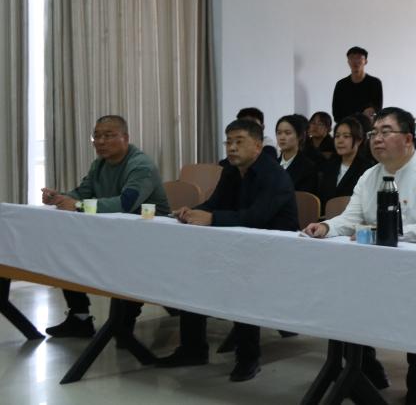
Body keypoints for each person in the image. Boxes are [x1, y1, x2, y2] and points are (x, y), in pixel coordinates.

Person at [303, 107, 416, 405]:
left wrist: (384, 234)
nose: (377, 139)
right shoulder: (370, 176)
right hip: (377, 265)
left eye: (386, 132)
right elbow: (351, 219)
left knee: (415, 313)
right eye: (374, 133)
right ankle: (366, 369)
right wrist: (326, 227)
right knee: (345, 297)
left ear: (408, 139)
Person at [157, 119, 298, 382]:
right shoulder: (232, 171)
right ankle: (192, 349)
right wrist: (193, 212)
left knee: (240, 277)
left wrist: (212, 219)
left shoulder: (274, 176)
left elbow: (256, 218)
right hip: (238, 244)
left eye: (238, 142)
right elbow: (215, 203)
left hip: (276, 251)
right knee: (192, 269)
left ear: (258, 146)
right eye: (228, 142)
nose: (231, 148)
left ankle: (248, 357)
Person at [40, 115, 169, 338]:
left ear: (125, 138)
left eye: (108, 136)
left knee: (125, 263)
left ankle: (123, 323)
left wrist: (77, 205)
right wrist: (59, 198)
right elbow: (82, 193)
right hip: (112, 232)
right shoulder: (99, 164)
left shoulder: (141, 165)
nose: (100, 142)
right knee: (66, 250)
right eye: (96, 136)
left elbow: (126, 204)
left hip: (149, 235)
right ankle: (80, 317)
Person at [316, 117, 376, 208]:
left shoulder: (367, 169)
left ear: (359, 140)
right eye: (337, 136)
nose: (340, 141)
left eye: (346, 136)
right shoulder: (329, 165)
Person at [331, 46, 383, 124]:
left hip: (367, 126)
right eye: (352, 58)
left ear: (365, 61)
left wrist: (371, 112)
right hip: (346, 126)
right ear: (348, 61)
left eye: (359, 58)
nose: (355, 61)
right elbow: (336, 111)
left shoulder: (375, 83)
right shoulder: (341, 84)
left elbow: (378, 108)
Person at [276, 114, 318, 194]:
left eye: (287, 133)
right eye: (279, 133)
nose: (282, 137)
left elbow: (304, 198)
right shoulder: (272, 164)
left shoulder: (308, 167)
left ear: (300, 136)